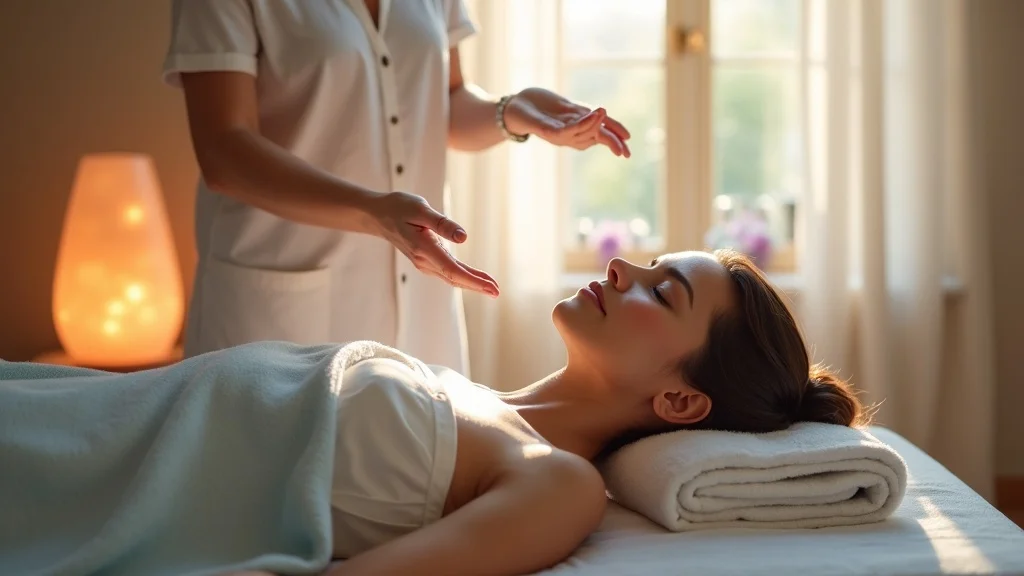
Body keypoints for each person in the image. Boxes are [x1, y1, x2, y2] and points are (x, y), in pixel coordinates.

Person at [0, 250, 867, 576]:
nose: (618, 270)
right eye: (640, 261)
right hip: (84, 417)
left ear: (680, 400)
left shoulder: (555, 481)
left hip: (83, 489)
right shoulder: (477, 393)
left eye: (659, 290)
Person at [161, 0, 632, 373]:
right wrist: (374, 211)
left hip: (419, 305)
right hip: (276, 315)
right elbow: (225, 149)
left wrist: (511, 112)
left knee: (419, 482)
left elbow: (444, 102)